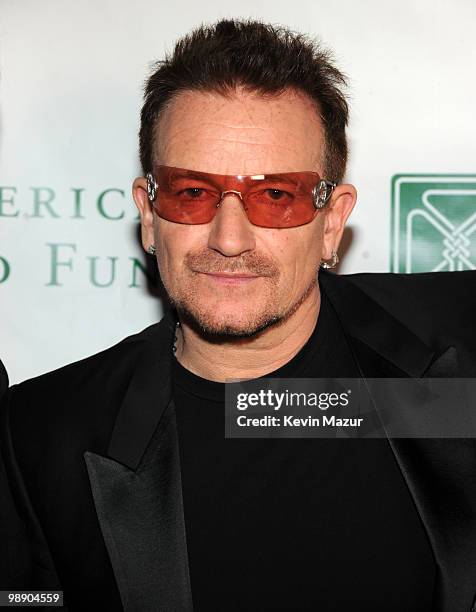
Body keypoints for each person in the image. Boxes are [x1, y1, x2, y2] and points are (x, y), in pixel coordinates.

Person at [1, 18, 476, 612]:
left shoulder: (457, 355)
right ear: (149, 215)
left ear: (331, 221)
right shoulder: (43, 437)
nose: (229, 239)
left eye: (275, 196)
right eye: (193, 192)